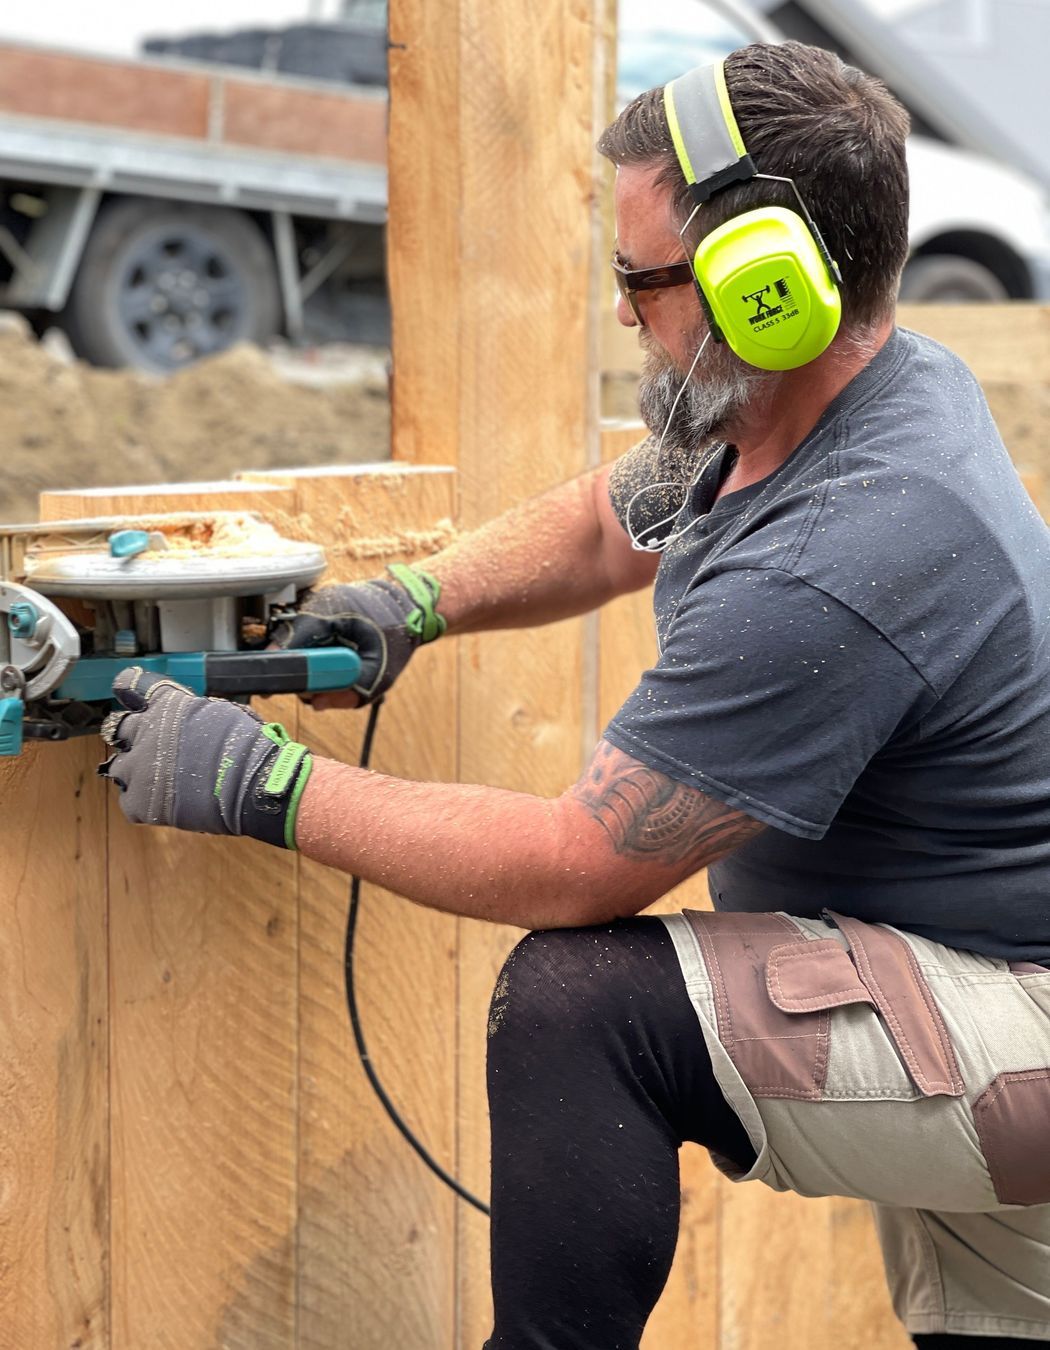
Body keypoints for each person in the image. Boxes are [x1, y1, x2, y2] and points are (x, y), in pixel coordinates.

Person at [98, 40, 1050, 1350]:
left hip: (1017, 1020)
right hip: (971, 972)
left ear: (767, 290)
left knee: (582, 1008)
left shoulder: (854, 548)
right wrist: (411, 600)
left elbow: (574, 865)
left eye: (638, 278)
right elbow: (618, 518)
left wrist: (262, 784)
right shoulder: (844, 392)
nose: (621, 312)